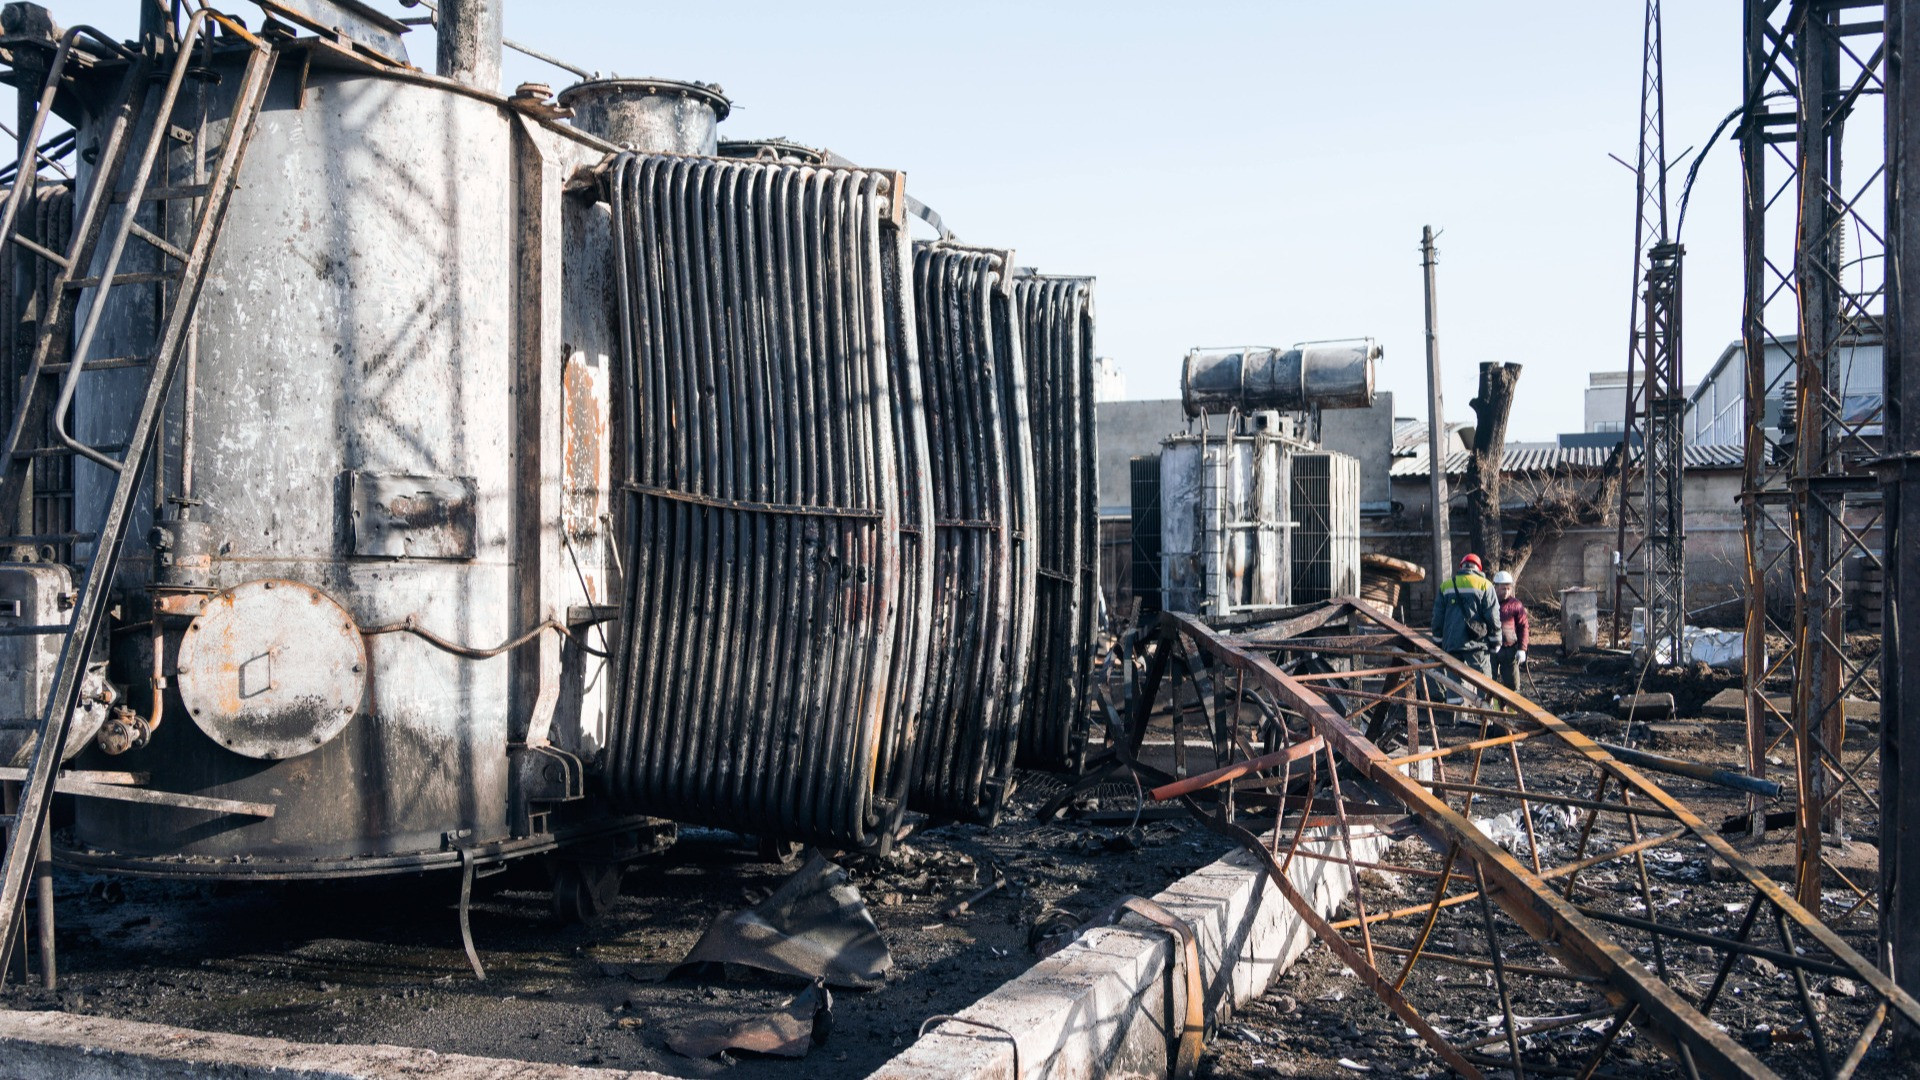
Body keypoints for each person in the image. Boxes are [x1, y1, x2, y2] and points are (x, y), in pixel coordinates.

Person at [1430, 553, 1500, 678]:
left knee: (1453, 682)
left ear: (1461, 566)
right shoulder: (1485, 585)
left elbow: (1438, 616)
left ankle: (1455, 692)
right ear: (1479, 568)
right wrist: (1496, 640)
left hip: (1452, 644)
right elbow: (1492, 616)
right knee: (1484, 682)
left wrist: (1437, 639)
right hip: (1477, 643)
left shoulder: (1446, 585)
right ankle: (1483, 693)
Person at [1491, 569, 1529, 690]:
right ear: (1495, 587)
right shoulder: (1488, 602)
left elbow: (1523, 627)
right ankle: (1490, 702)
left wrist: (1522, 649)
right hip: (1491, 648)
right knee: (1488, 683)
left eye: (1509, 588)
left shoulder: (1516, 605)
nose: (1506, 592)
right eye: (1503, 589)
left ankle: (1511, 703)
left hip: (1509, 650)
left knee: (1512, 685)